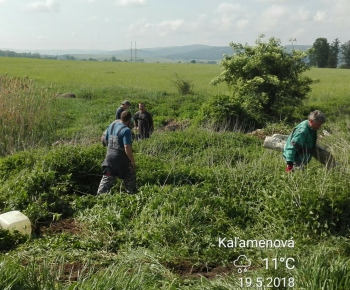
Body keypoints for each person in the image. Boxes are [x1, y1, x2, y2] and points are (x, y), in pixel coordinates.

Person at [97, 111, 137, 194]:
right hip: (121, 160)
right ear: (129, 120)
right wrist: (132, 161)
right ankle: (130, 195)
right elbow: (127, 147)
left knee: (106, 180)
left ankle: (99, 198)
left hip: (109, 158)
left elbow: (105, 139)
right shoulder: (126, 130)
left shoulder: (112, 125)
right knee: (130, 176)